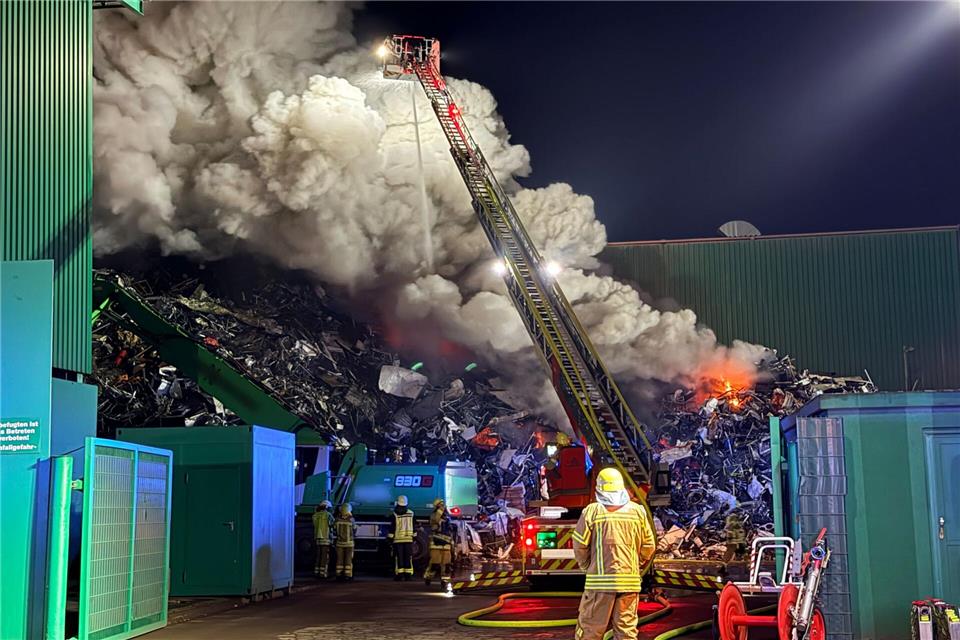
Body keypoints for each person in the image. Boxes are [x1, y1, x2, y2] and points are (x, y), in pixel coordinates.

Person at [573, 468, 656, 640]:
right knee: (626, 632)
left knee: (590, 631)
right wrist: (635, 566)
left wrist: (587, 567)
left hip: (599, 586)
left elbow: (580, 546)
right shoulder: (638, 511)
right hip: (630, 583)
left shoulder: (592, 511)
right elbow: (649, 545)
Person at [423, 498, 453, 586]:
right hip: (436, 543)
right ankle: (428, 577)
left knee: (446, 564)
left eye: (443, 504)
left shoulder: (447, 517)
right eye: (441, 504)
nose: (443, 506)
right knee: (434, 563)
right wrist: (440, 510)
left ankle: (445, 580)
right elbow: (436, 520)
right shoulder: (434, 515)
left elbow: (450, 530)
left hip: (446, 544)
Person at [388, 495, 415, 581]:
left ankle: (399, 575)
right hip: (408, 539)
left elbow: (393, 527)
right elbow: (414, 526)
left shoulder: (395, 514)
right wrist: (414, 536)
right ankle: (408, 575)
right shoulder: (411, 513)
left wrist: (390, 538)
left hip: (398, 539)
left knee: (399, 557)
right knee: (408, 557)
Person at [334, 503, 356, 581]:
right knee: (348, 560)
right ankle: (347, 575)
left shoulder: (337, 519)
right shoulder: (351, 519)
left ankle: (338, 574)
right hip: (349, 543)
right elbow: (354, 529)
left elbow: (334, 529)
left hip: (339, 543)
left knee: (339, 559)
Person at [312, 500, 333, 578]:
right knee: (324, 556)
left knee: (318, 555)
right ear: (327, 507)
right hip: (325, 538)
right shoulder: (328, 515)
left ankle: (316, 572)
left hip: (318, 538)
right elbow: (332, 524)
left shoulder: (315, 515)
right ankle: (323, 573)